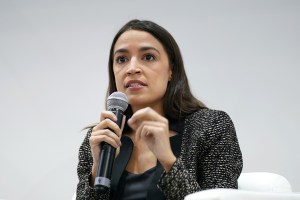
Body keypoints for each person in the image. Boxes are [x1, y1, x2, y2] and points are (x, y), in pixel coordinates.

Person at [76, 19, 243, 200]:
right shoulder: (100, 137)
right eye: (122, 59)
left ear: (171, 70)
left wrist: (168, 160)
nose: (132, 68)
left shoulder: (210, 127)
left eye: (148, 57)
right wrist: (96, 170)